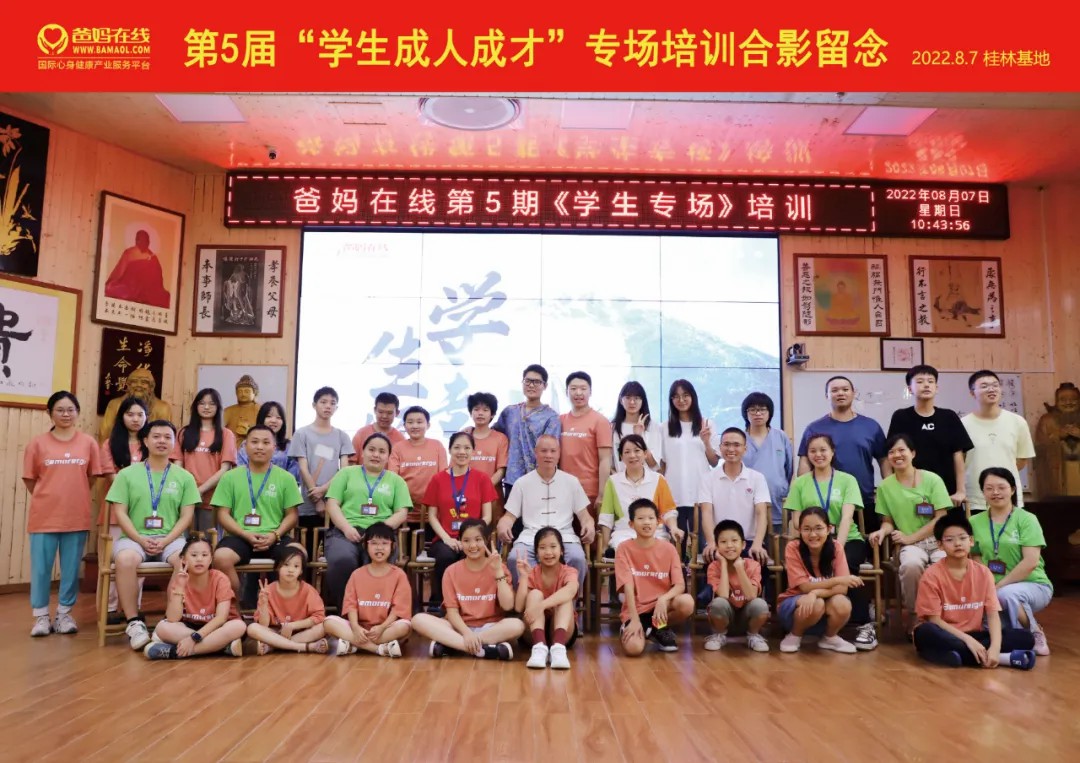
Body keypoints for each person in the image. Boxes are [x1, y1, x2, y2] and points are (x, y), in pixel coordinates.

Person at [107, 420, 200, 650]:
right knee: (125, 559)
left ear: (174, 443)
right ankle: (134, 622)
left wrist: (166, 540)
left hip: (172, 538)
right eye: (156, 436)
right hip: (134, 538)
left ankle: (169, 621)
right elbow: (120, 513)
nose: (162, 441)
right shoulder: (127, 474)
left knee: (184, 560)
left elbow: (186, 516)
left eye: (167, 437)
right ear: (145, 441)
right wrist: (140, 539)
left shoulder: (185, 477)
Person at [785, 433, 877, 650]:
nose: (818, 455)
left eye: (823, 450)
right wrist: (815, 535)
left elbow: (847, 517)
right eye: (813, 451)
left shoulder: (847, 480)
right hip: (810, 539)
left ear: (832, 452)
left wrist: (837, 547)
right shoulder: (800, 483)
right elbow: (796, 520)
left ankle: (861, 623)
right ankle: (812, 617)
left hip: (846, 539)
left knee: (848, 566)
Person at [22, 391, 103, 637]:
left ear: (77, 413)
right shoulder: (37, 444)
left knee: (70, 569)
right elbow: (30, 479)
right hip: (44, 517)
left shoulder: (88, 443)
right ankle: (41, 616)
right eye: (60, 409)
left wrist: (73, 495)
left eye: (70, 410)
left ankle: (64, 614)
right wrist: (49, 496)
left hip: (76, 516)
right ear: (50, 413)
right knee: (41, 569)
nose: (66, 414)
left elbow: (91, 477)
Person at [913, 512, 1037, 669]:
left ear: (971, 541)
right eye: (949, 540)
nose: (957, 544)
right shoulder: (931, 576)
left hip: (974, 634)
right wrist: (968, 640)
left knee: (1026, 638)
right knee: (925, 632)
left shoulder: (983, 573)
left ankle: (956, 655)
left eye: (962, 538)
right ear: (940, 545)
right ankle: (998, 658)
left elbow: (992, 615)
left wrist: (995, 647)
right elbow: (935, 620)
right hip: (946, 633)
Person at [868, 434, 952, 629]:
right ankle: (917, 615)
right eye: (891, 452)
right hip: (910, 546)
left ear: (913, 453)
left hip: (938, 541)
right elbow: (888, 522)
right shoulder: (885, 486)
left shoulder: (932, 479)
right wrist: (882, 532)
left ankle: (945, 616)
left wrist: (910, 537)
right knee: (911, 566)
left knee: (945, 564)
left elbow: (941, 518)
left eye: (901, 450)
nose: (897, 455)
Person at [211, 425, 305, 597]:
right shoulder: (230, 477)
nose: (260, 447)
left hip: (275, 536)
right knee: (221, 558)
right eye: (254, 442)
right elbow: (222, 514)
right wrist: (245, 534)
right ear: (245, 446)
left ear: (274, 447)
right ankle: (235, 605)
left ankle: (282, 606)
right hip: (240, 536)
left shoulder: (286, 478)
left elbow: (292, 515)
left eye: (266, 442)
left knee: (299, 554)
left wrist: (275, 535)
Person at [411, 519, 524, 660]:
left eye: (478, 540)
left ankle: (452, 645)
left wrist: (498, 572)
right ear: (460, 542)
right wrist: (467, 633)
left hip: (490, 627)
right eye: (466, 541)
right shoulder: (451, 571)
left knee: (517, 625)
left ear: (487, 540)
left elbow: (507, 605)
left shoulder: (499, 567)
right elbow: (452, 613)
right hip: (459, 627)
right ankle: (481, 649)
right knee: (418, 620)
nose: (472, 545)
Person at [323, 433, 412, 610]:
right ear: (362, 452)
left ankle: (375, 613)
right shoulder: (346, 473)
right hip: (345, 532)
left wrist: (378, 531)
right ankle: (346, 611)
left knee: (377, 562)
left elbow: (402, 512)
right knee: (343, 560)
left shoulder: (396, 481)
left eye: (382, 451)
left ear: (388, 456)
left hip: (381, 535)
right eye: (371, 450)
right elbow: (332, 504)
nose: (376, 455)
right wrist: (346, 528)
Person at [970, 467, 1053, 656]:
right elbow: (975, 555)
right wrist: (988, 583)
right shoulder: (974, 521)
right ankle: (1016, 639)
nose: (995, 492)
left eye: (1001, 487)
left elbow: (1030, 562)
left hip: (1033, 584)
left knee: (1007, 595)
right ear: (982, 492)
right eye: (989, 488)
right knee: (992, 626)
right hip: (993, 586)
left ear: (1013, 490)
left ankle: (1034, 632)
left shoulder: (1027, 519)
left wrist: (998, 586)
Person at [497, 435, 595, 586]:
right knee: (514, 559)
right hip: (531, 536)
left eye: (553, 451)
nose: (548, 455)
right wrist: (503, 525)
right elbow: (509, 516)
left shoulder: (571, 481)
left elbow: (585, 516)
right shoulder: (522, 483)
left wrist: (589, 525)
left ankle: (570, 599)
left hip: (564, 536)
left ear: (559, 453)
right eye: (543, 451)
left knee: (577, 558)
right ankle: (525, 599)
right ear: (536, 452)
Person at [797, 375, 887, 533]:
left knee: (864, 546)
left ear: (854, 393)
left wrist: (887, 492)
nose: (840, 393)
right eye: (834, 390)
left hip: (864, 501)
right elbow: (805, 462)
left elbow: (884, 461)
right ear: (827, 395)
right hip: (825, 503)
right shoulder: (814, 428)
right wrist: (803, 493)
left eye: (845, 389)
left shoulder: (871, 426)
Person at [422, 432, 497, 611]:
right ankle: (440, 603)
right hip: (445, 538)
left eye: (467, 448)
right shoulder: (438, 479)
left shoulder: (482, 479)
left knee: (471, 554)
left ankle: (471, 604)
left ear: (473, 452)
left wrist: (472, 538)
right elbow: (432, 515)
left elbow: (487, 516)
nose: (461, 452)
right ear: (449, 450)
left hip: (474, 539)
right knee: (445, 556)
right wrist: (447, 539)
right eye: (457, 447)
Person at [144, 535, 248, 660]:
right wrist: (179, 588)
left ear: (211, 559)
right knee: (162, 627)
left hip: (217, 626)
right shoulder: (180, 579)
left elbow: (221, 618)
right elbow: (172, 618)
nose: (199, 559)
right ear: (183, 559)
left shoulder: (220, 578)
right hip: (191, 627)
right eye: (194, 555)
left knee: (239, 626)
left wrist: (194, 638)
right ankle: (221, 646)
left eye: (204, 555)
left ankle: (174, 652)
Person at [615, 498, 695, 655]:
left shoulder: (669, 549)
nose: (647, 522)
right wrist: (634, 620)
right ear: (631, 524)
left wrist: (662, 599)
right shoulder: (624, 548)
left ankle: (657, 627)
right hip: (636, 609)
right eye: (641, 518)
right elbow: (627, 586)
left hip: (661, 606)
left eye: (651, 518)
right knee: (634, 649)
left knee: (687, 602)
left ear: (658, 522)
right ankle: (640, 627)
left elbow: (680, 585)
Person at [777, 507, 863, 654]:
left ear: (828, 529)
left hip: (821, 607)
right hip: (794, 607)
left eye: (818, 528)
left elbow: (842, 589)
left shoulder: (836, 547)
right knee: (816, 604)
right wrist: (838, 580)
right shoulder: (793, 547)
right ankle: (795, 635)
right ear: (800, 531)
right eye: (807, 529)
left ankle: (830, 637)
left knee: (842, 603)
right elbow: (804, 587)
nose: (813, 534)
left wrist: (815, 593)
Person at [886, 365, 973, 505]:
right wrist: (894, 489)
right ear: (910, 389)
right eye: (920, 381)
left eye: (930, 381)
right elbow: (893, 455)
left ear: (936, 388)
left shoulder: (949, 416)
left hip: (947, 493)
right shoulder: (901, 417)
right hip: (910, 492)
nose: (926, 385)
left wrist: (960, 491)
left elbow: (958, 455)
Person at [324, 522, 413, 657]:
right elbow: (350, 605)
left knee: (404, 627)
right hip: (359, 628)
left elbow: (398, 609)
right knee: (328, 622)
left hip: (385, 628)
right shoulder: (357, 574)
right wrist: (355, 628)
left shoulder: (399, 575)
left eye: (384, 543)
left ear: (393, 546)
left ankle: (354, 645)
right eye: (374, 543)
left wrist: (382, 627)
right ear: (365, 546)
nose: (379, 548)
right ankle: (378, 649)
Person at [288, 387, 355, 559]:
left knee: (333, 554)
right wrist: (317, 499)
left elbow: (344, 471)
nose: (328, 406)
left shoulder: (341, 436)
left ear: (336, 408)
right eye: (323, 402)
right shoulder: (302, 433)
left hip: (335, 503)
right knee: (306, 553)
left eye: (332, 403)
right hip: (308, 503)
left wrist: (324, 490)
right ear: (314, 405)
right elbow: (303, 468)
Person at [98, 395, 149, 622]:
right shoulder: (109, 444)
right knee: (111, 562)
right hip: (115, 513)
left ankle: (133, 609)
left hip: (143, 513)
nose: (135, 419)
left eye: (140, 414)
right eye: (130, 414)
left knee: (138, 563)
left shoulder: (150, 443)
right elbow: (113, 478)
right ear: (122, 417)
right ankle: (109, 609)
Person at [962, 370, 1036, 511]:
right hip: (975, 498)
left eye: (995, 385)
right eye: (984, 386)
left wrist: (999, 479)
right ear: (972, 393)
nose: (991, 389)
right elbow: (959, 461)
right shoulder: (962, 424)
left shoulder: (1017, 422)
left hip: (1008, 496)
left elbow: (1021, 460)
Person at [698, 427, 771, 565]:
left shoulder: (757, 478)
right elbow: (706, 513)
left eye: (736, 445)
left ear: (745, 448)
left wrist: (758, 543)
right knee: (713, 572)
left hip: (748, 542)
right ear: (720, 448)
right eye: (726, 444)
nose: (731, 449)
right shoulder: (708, 478)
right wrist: (712, 542)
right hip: (719, 542)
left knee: (756, 567)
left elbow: (761, 513)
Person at [660, 379, 719, 544]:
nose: (681, 400)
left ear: (693, 396)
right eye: (676, 396)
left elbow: (714, 462)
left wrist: (706, 442)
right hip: (673, 494)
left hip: (700, 493)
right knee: (675, 544)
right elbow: (662, 465)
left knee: (701, 545)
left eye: (685, 395)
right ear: (671, 400)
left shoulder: (706, 424)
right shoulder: (664, 427)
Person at [598, 434, 681, 553]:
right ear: (621, 456)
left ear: (645, 453)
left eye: (637, 451)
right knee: (624, 551)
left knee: (660, 551)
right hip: (623, 535)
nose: (632, 455)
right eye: (627, 452)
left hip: (655, 534)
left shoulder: (659, 479)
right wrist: (604, 547)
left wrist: (674, 527)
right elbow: (607, 516)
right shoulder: (613, 481)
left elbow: (668, 511)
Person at [171, 388, 238, 531]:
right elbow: (177, 465)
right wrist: (189, 490)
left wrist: (200, 490)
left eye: (212, 404)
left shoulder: (226, 434)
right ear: (195, 406)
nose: (206, 407)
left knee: (208, 539)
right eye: (202, 403)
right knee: (185, 538)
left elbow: (225, 469)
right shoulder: (183, 432)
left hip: (213, 498)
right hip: (185, 495)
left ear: (218, 407)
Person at [515, 527, 579, 669]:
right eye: (542, 548)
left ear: (561, 550)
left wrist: (541, 606)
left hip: (563, 631)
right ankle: (539, 648)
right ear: (537, 553)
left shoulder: (569, 571)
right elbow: (518, 607)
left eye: (553, 546)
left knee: (564, 597)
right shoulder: (531, 573)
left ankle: (558, 649)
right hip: (533, 632)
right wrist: (524, 577)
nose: (548, 552)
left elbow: (571, 590)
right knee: (535, 594)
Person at [246, 546, 330, 654]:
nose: (290, 570)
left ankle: (274, 646)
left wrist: (293, 625)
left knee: (323, 627)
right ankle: (306, 647)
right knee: (252, 628)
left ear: (301, 571)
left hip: (300, 633)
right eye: (286, 565)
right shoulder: (268, 590)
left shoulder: (308, 590)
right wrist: (263, 605)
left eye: (296, 566)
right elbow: (264, 625)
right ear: (278, 567)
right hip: (276, 632)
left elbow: (318, 617)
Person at [492, 363, 561, 493]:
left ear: (545, 386)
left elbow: (550, 451)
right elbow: (492, 434)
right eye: (528, 381)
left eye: (537, 382)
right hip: (512, 480)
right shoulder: (510, 412)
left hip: (538, 481)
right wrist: (471, 430)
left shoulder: (551, 417)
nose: (531, 385)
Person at [704, 519, 770, 653]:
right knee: (718, 603)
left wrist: (739, 568)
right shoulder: (714, 567)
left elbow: (751, 596)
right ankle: (719, 635)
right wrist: (723, 564)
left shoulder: (753, 565)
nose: (729, 545)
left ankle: (753, 635)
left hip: (747, 618)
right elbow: (723, 595)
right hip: (724, 619)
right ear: (717, 546)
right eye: (723, 542)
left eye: (734, 541)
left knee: (760, 605)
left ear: (743, 544)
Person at [558, 371, 613, 515]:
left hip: (590, 492)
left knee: (588, 529)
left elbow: (605, 459)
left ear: (590, 392)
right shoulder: (560, 420)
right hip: (563, 491)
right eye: (573, 388)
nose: (578, 393)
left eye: (583, 388)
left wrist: (602, 494)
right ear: (567, 392)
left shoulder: (600, 421)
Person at [741, 392, 794, 536]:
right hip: (747, 504)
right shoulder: (740, 439)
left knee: (777, 545)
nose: (758, 413)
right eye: (752, 409)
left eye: (762, 409)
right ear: (745, 413)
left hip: (776, 502)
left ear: (769, 412)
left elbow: (789, 470)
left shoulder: (780, 436)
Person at [388, 405, 448, 524]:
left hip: (433, 513)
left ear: (428, 425)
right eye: (410, 422)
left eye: (419, 422)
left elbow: (443, 477)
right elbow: (393, 478)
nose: (415, 426)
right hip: (403, 513)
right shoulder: (397, 448)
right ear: (404, 425)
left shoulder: (437, 446)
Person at [99, 366, 172, 442]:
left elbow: (165, 436)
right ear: (128, 385)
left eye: (144, 382)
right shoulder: (115, 404)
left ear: (151, 387)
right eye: (134, 382)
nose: (138, 385)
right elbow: (105, 432)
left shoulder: (162, 408)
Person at [236, 401, 301, 484]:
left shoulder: (289, 446)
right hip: (251, 488)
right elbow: (241, 469)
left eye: (278, 417)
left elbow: (294, 474)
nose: (273, 420)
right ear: (261, 418)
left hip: (281, 489)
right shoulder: (247, 444)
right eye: (268, 416)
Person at [103, 229, 171, 309]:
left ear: (148, 242)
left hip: (148, 291)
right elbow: (119, 271)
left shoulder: (153, 258)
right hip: (129, 287)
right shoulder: (129, 253)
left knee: (165, 297)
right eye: (139, 240)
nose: (142, 243)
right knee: (111, 290)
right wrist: (110, 281)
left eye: (145, 240)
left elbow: (158, 280)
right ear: (136, 241)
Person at [1034, 382, 1080, 497]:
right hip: (1057, 472)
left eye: (1073, 399)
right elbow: (1039, 447)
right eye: (1063, 400)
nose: (1068, 402)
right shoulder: (1046, 420)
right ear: (1056, 402)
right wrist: (1057, 436)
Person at [611, 380, 663, 472]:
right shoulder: (613, 427)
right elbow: (611, 463)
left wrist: (639, 437)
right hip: (620, 479)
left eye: (637, 398)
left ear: (643, 401)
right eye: (628, 398)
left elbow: (653, 464)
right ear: (621, 400)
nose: (632, 402)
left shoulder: (652, 426)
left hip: (647, 479)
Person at [462, 391, 509, 489]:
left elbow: (502, 470)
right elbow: (454, 468)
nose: (480, 413)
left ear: (492, 414)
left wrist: (484, 488)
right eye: (476, 409)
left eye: (485, 410)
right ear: (471, 413)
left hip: (492, 495)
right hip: (465, 494)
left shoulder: (501, 439)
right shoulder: (463, 437)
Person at [350, 392, 406, 465]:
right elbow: (352, 462)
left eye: (389, 413)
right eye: (380, 412)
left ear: (397, 413)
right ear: (375, 410)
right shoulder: (361, 434)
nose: (384, 416)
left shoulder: (400, 439)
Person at [223, 374, 260, 443]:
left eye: (247, 391)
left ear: (254, 393)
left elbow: (267, 432)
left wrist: (249, 431)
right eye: (240, 391)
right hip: (232, 446)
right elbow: (217, 429)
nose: (243, 394)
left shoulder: (260, 410)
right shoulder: (228, 411)